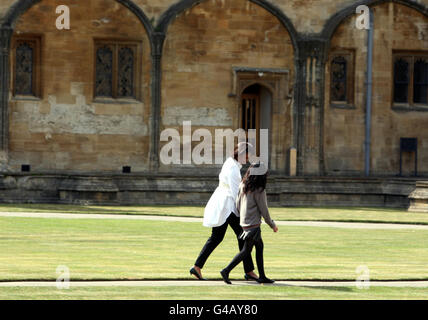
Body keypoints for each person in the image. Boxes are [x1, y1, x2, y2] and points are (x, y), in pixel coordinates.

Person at [190, 142, 259, 281]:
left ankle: (197, 267)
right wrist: (244, 212)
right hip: (227, 207)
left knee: (218, 237)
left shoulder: (230, 163)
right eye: (247, 155)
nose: (248, 158)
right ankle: (249, 271)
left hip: (222, 204)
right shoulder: (233, 168)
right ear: (241, 154)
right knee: (243, 237)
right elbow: (235, 194)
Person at [220, 162, 278, 285]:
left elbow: (237, 204)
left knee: (259, 247)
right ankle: (226, 270)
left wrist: (244, 217)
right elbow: (264, 210)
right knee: (246, 251)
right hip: (254, 224)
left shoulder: (243, 185)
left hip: (244, 222)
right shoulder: (259, 190)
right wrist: (272, 224)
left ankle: (262, 276)